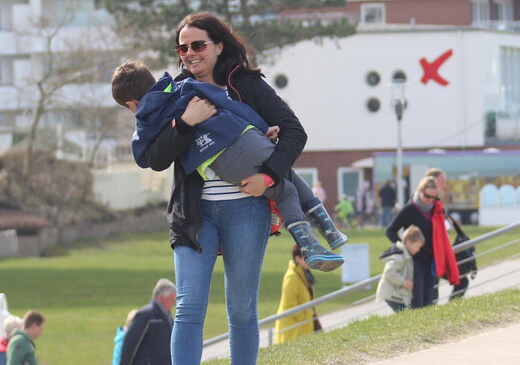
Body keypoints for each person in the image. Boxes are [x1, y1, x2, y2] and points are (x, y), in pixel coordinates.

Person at [132, 12, 308, 365]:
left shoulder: (247, 85)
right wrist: (185, 122)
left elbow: (294, 132)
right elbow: (153, 157)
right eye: (182, 48)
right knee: (188, 307)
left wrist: (268, 177)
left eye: (197, 45)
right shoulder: (175, 92)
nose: (189, 53)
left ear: (218, 46)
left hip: (247, 209)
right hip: (193, 214)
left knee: (241, 309)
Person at [113, 61, 346, 272]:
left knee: (284, 190)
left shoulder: (145, 122)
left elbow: (145, 157)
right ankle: (329, 231)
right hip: (244, 136)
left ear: (131, 104)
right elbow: (229, 104)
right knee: (286, 177)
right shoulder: (184, 87)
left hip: (223, 162)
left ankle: (310, 247)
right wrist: (262, 126)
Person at [386, 176, 460, 308]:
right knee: (417, 301)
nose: (430, 200)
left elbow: (441, 230)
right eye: (427, 196)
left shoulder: (437, 208)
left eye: (434, 197)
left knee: (430, 299)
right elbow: (390, 231)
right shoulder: (409, 209)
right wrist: (404, 248)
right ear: (420, 191)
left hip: (432, 260)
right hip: (415, 260)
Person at [423, 167, 472, 301]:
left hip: (440, 252)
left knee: (461, 280)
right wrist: (447, 224)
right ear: (432, 182)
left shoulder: (436, 202)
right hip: (432, 254)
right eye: (443, 181)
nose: (445, 185)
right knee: (433, 290)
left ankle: (451, 309)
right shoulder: (427, 203)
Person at [118, 279, 175, 365]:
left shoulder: (168, 318)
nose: (174, 303)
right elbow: (130, 343)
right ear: (162, 297)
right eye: (172, 299)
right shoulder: (146, 315)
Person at [272, 246, 318, 344]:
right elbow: (289, 304)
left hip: (301, 325)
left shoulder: (304, 273)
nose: (310, 260)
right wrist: (304, 317)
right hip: (292, 327)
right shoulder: (292, 276)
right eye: (307, 257)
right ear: (297, 258)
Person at [377, 226, 424, 312]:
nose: (418, 250)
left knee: (406, 313)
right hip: (392, 294)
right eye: (417, 246)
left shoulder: (406, 255)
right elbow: (389, 272)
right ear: (409, 242)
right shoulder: (399, 256)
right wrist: (404, 282)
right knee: (405, 314)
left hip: (397, 295)